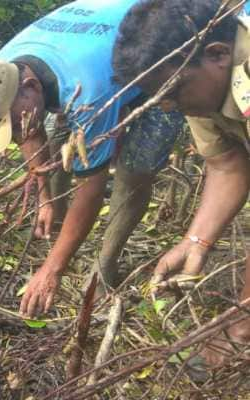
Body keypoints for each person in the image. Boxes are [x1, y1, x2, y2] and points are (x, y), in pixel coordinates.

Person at [0, 0, 185, 318]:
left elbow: (91, 187)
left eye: (10, 121)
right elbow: (29, 132)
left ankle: (104, 265)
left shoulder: (85, 91)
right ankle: (61, 240)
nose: (15, 132)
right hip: (102, 47)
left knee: (134, 170)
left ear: (30, 87)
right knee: (59, 151)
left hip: (166, 55)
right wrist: (45, 199)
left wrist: (52, 271)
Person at [113, 0, 250, 378]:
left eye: (173, 91)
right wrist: (196, 241)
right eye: (160, 97)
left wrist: (242, 323)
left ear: (218, 54)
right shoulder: (207, 87)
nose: (169, 108)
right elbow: (227, 161)